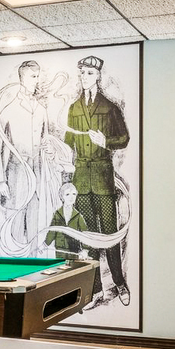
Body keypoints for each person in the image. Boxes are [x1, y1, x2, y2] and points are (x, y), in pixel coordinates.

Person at [65, 55, 131, 307]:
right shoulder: (74, 108)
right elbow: (68, 143)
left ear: (98, 76)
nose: (85, 77)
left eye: (89, 73)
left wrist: (106, 142)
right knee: (88, 237)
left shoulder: (110, 107)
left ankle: (119, 283)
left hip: (103, 179)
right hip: (81, 180)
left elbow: (123, 139)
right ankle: (95, 290)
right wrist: (56, 151)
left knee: (110, 235)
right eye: (82, 73)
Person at [0, 60, 50, 254]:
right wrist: (1, 180)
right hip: (16, 176)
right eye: (33, 77)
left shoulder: (41, 110)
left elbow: (46, 141)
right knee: (15, 226)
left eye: (38, 76)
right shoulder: (8, 111)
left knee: (34, 226)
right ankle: (14, 265)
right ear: (22, 79)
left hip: (37, 177)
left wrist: (49, 151)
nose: (36, 81)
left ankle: (34, 264)